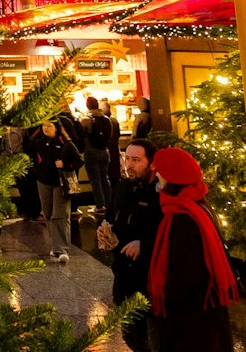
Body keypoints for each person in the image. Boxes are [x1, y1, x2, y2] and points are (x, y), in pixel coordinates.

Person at [147, 145, 237, 352]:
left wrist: (164, 294)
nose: (157, 177)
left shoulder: (184, 217)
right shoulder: (196, 205)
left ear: (172, 176)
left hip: (193, 321)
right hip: (206, 316)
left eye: (159, 172)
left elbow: (188, 274)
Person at [97, 138, 163, 351]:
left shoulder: (161, 193)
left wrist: (145, 244)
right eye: (127, 158)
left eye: (136, 160)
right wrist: (105, 230)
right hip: (124, 276)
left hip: (150, 279)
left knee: (154, 339)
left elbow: (172, 231)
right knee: (131, 335)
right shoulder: (122, 187)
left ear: (152, 164)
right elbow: (110, 217)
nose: (129, 164)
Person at [26, 117, 83, 263]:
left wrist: (66, 164)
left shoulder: (65, 143)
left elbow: (79, 161)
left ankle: (61, 249)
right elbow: (31, 157)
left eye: (49, 126)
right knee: (48, 213)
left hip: (60, 183)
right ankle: (55, 245)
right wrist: (35, 171)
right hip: (43, 182)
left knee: (60, 215)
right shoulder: (38, 142)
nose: (45, 128)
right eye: (44, 125)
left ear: (56, 127)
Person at [83, 95, 115, 213]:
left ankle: (100, 205)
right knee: (105, 178)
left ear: (87, 106)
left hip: (91, 151)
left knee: (95, 179)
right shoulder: (107, 119)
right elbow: (110, 135)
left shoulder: (86, 119)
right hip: (105, 151)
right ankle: (109, 203)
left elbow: (82, 134)